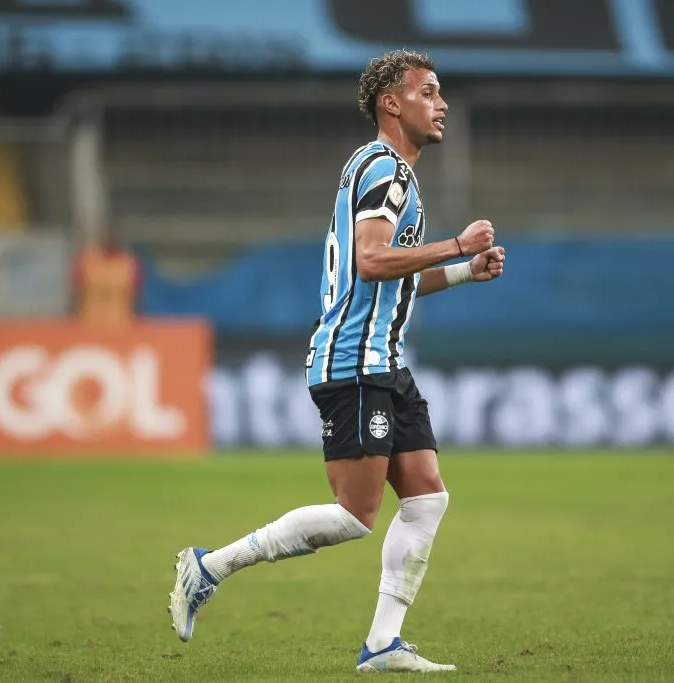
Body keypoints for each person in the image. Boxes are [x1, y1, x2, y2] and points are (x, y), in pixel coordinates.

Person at [168, 49, 506, 673]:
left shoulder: (389, 173)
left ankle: (382, 644)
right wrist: (457, 243)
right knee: (356, 516)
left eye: (440, 93)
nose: (441, 103)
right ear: (391, 102)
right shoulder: (383, 168)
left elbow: (389, 280)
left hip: (383, 360)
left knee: (428, 497)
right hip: (352, 361)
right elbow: (372, 261)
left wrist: (460, 272)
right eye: (427, 92)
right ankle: (209, 566)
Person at [72, 225, 140, 325]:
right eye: (108, 236)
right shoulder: (87, 262)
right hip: (90, 324)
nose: (111, 240)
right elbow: (77, 295)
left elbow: (136, 299)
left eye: (114, 237)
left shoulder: (129, 264)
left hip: (121, 326)